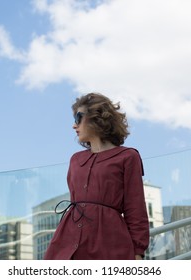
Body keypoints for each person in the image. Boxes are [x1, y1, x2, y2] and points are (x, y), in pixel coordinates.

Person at [44, 92, 149, 260]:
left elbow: (135, 208)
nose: (74, 125)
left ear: (97, 118)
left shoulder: (128, 157)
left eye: (78, 118)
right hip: (67, 240)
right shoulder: (75, 160)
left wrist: (138, 252)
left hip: (109, 243)